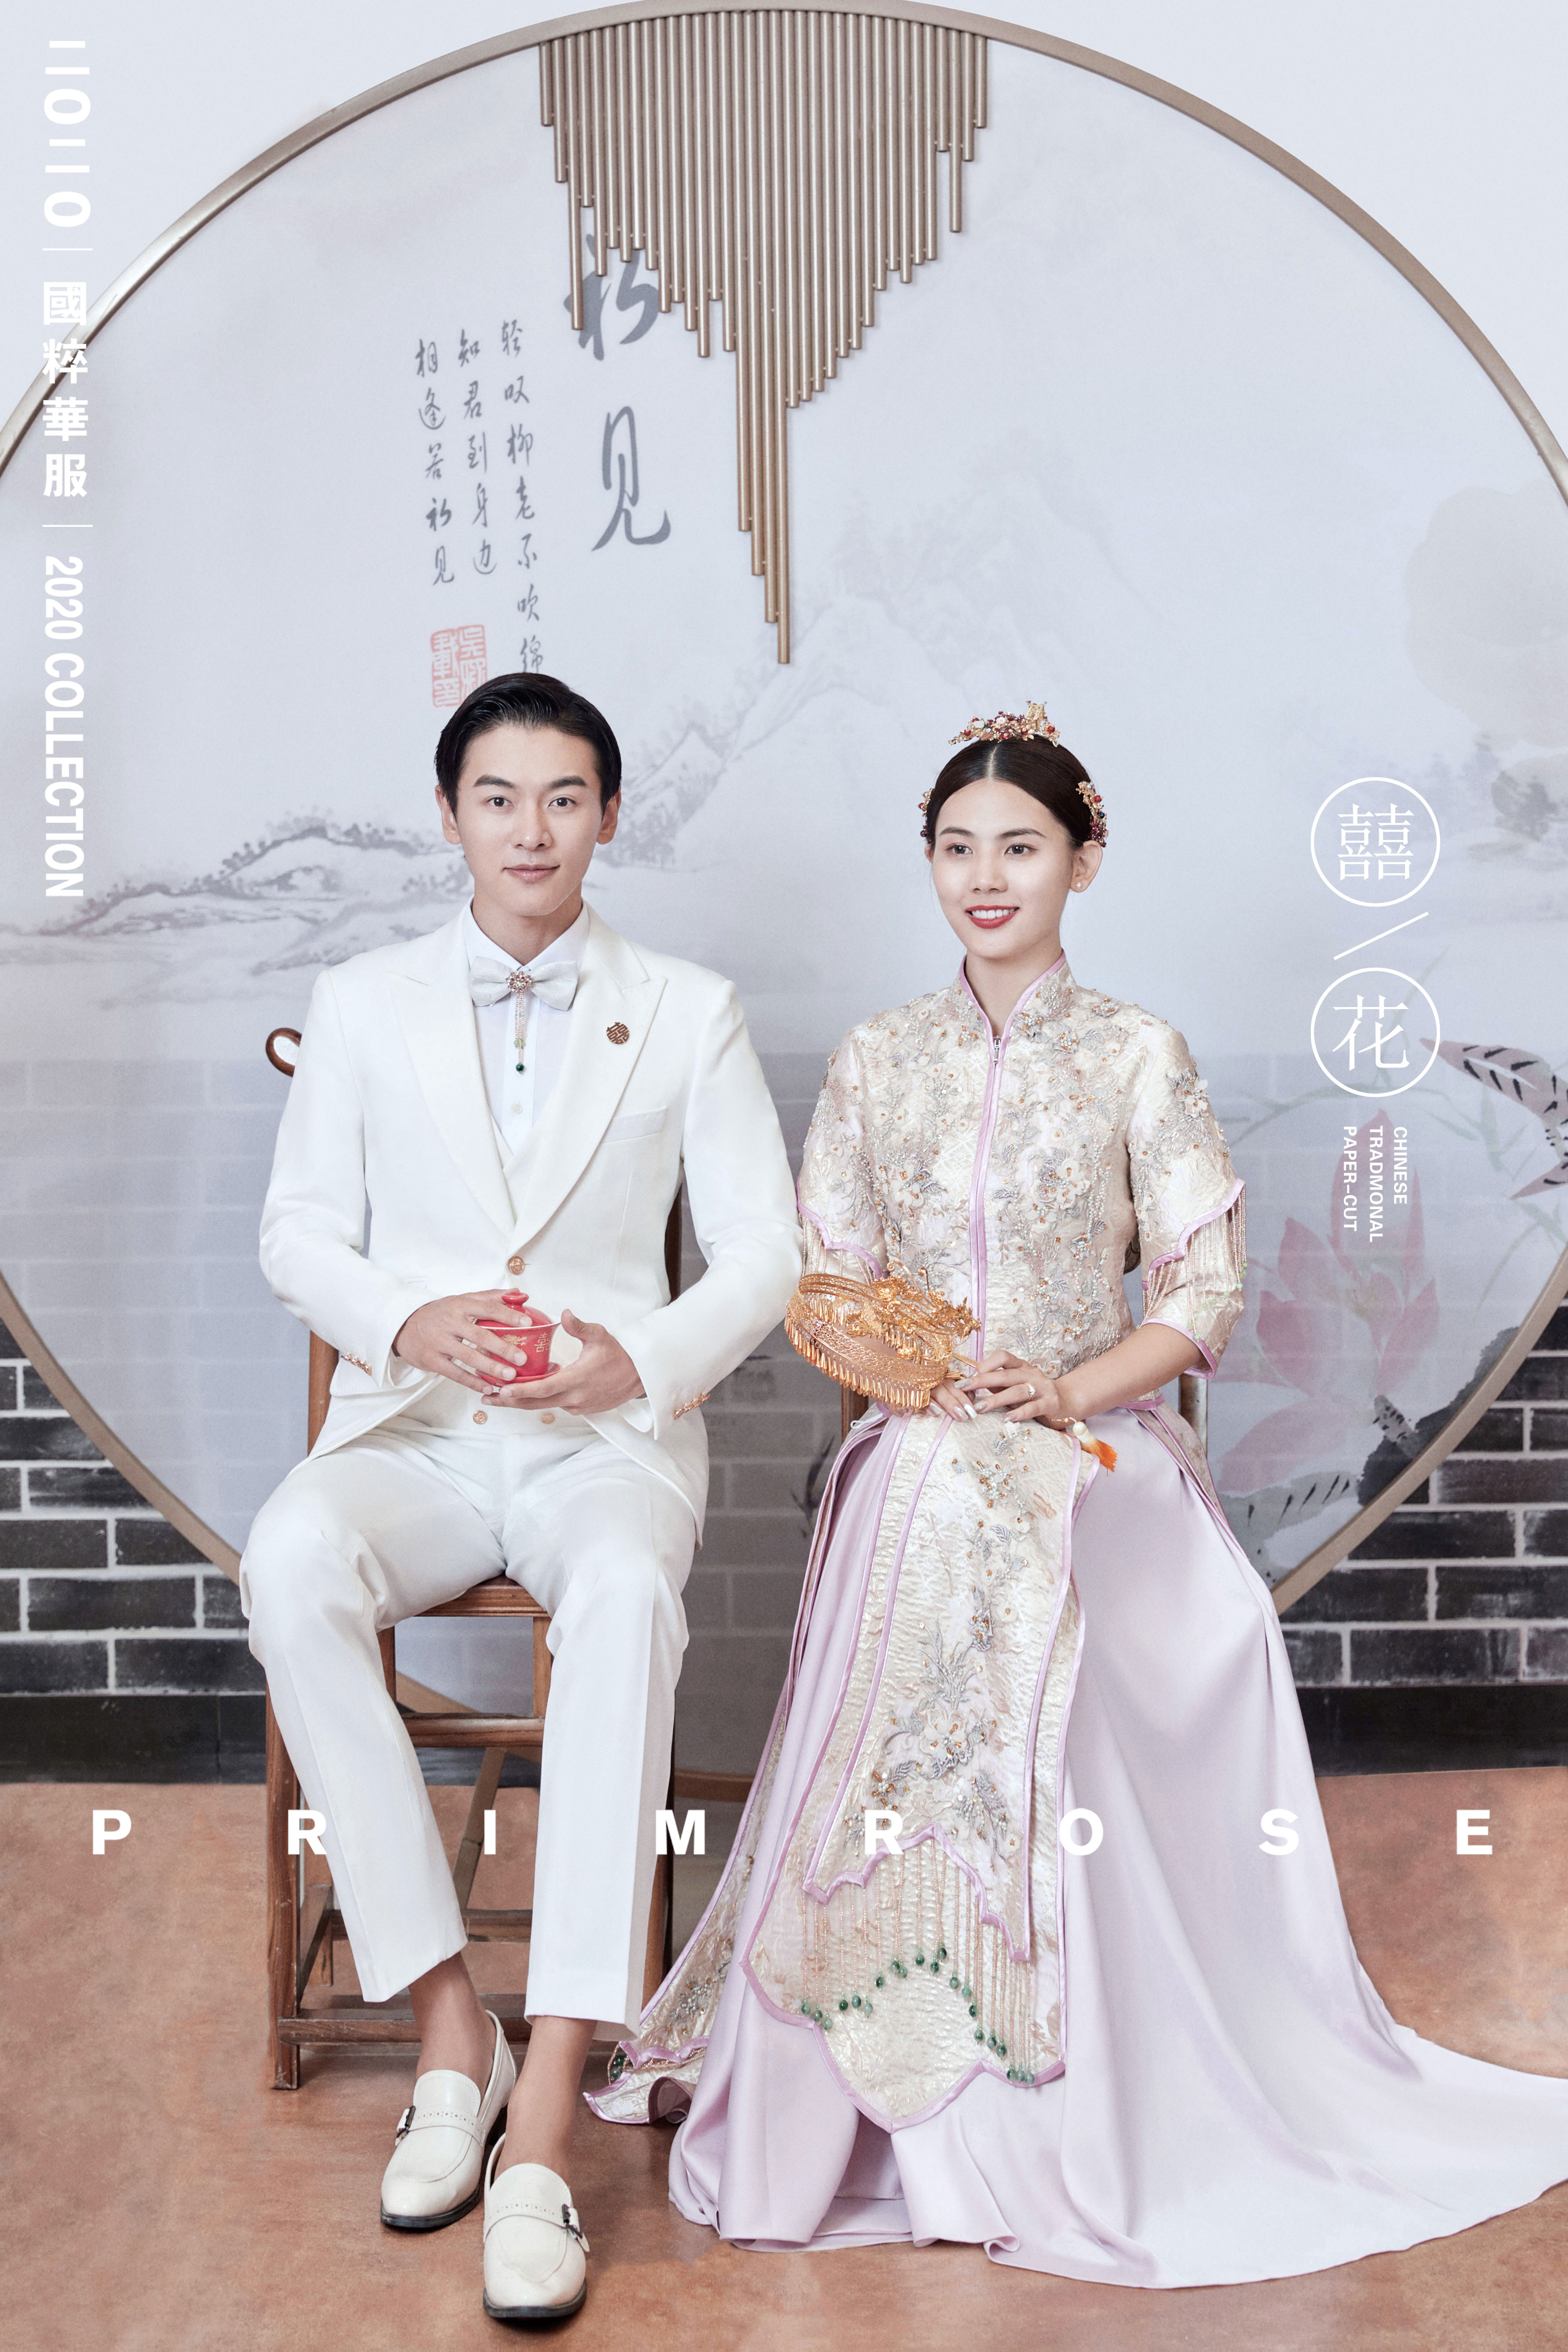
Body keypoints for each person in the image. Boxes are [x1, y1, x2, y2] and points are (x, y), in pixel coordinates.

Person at [593, 702, 1568, 2286]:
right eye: (958, 849)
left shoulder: (1135, 1054)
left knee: (1003, 1520)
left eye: (1022, 848)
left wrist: (1064, 1388)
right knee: (927, 1502)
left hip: (1097, 1442)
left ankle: (1050, 2085)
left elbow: (1203, 1291)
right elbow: (825, 1281)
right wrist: (927, 1380)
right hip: (923, 1437)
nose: (987, 879)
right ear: (928, 863)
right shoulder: (879, 1059)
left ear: (1084, 861)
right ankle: (877, 2079)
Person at [241, 673, 799, 2323]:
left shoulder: (688, 1008)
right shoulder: (361, 1001)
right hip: (415, 1434)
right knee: (289, 1561)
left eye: (565, 797)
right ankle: (447, 2034)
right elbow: (296, 1235)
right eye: (499, 798)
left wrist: (639, 1359)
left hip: (600, 1448)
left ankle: (547, 2110)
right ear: (451, 816)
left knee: (623, 1594)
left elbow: (765, 1253)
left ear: (609, 814)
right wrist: (405, 1320)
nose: (532, 829)